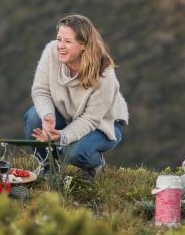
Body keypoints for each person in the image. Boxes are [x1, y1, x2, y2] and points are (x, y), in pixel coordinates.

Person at [23, 14, 128, 178]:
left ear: (83, 45)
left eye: (68, 41)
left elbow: (91, 119)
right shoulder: (51, 52)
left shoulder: (104, 73)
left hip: (104, 124)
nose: (61, 46)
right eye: (59, 39)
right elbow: (41, 91)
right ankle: (49, 167)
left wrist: (63, 136)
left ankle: (95, 165)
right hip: (69, 115)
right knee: (33, 117)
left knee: (71, 152)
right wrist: (48, 117)